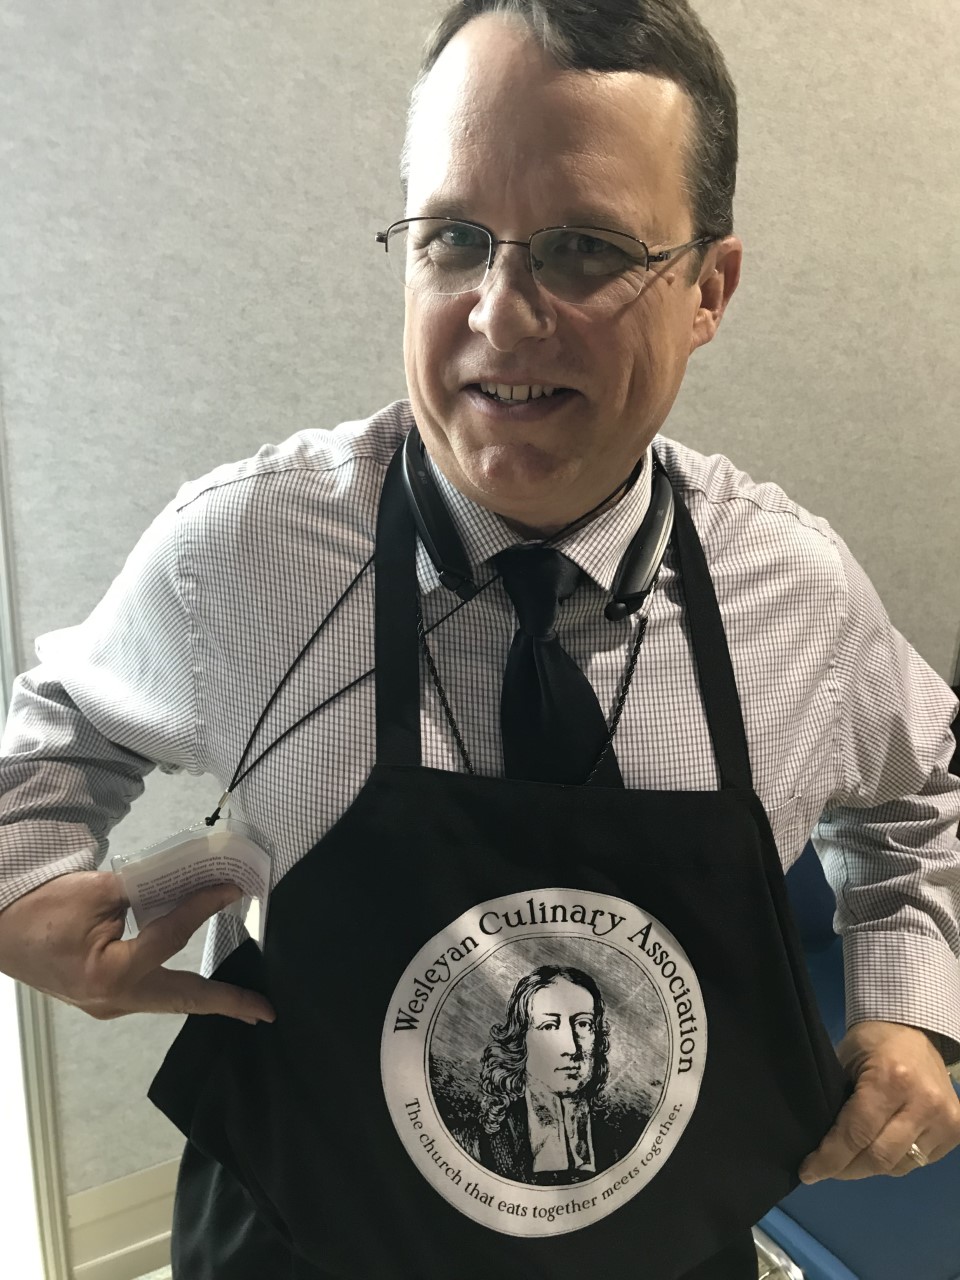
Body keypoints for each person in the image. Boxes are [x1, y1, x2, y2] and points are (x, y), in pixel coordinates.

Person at [0, 1, 958, 1276]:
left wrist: (909, 1010)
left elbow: (919, 795)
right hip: (304, 1235)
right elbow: (54, 727)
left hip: (665, 1240)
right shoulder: (245, 555)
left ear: (710, 288)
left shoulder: (797, 596)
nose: (500, 316)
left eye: (583, 248)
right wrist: (19, 891)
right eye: (454, 237)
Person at [467, 965, 648, 1183]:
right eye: (549, 1026)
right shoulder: (476, 1145)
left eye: (583, 1024)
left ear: (597, 1036)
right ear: (519, 1041)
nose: (571, 1048)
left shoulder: (626, 1142)